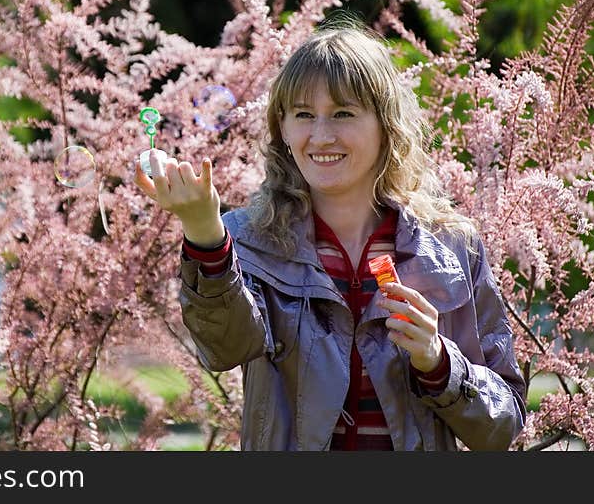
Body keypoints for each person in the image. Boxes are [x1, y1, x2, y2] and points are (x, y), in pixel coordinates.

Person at [134, 22, 527, 451]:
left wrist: (437, 362)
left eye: (343, 113)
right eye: (303, 114)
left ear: (386, 124)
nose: (321, 136)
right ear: (282, 128)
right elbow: (224, 346)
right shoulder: (248, 241)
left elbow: (502, 426)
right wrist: (205, 234)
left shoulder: (451, 251)